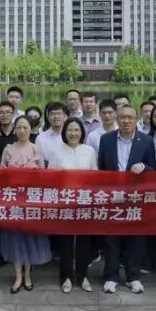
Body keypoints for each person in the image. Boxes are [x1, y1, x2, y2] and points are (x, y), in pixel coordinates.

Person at [98, 105, 156, 294]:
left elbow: (153, 168)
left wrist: (144, 167)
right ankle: (111, 276)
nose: (126, 121)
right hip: (112, 197)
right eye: (122, 117)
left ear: (136, 119)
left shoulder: (146, 141)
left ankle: (133, 276)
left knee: (136, 238)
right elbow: (101, 169)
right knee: (111, 238)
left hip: (135, 197)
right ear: (117, 118)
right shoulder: (106, 139)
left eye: (130, 118)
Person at [0, 116, 52, 293]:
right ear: (15, 129)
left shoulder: (36, 149)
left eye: (25, 127)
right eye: (19, 127)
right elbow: (0, 175)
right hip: (12, 201)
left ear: (31, 129)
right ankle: (17, 276)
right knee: (14, 239)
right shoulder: (8, 149)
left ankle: (28, 275)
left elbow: (44, 177)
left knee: (29, 239)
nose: (22, 130)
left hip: (30, 202)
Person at [47, 117, 98, 293]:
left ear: (82, 133)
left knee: (84, 242)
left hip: (84, 202)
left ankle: (83, 276)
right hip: (64, 203)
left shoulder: (89, 151)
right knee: (65, 242)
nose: (73, 133)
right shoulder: (57, 151)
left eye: (77, 130)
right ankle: (66, 277)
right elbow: (50, 178)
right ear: (65, 132)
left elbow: (95, 176)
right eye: (70, 130)